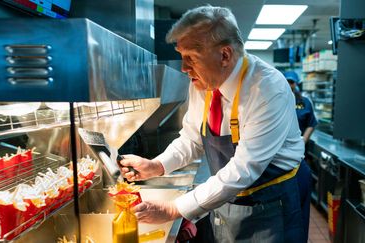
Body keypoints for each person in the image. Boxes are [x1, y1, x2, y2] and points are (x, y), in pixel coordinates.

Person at [120, 5, 311, 243]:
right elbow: (191, 138)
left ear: (225, 55)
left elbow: (244, 169)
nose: (183, 68)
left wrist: (174, 209)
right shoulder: (203, 82)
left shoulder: (268, 89)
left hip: (272, 199)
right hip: (228, 195)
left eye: (190, 57)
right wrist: (156, 165)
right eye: (182, 56)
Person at [284, 71, 318, 143]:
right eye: (287, 82)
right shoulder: (277, 101)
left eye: (291, 82)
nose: (289, 85)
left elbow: (311, 124)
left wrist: (302, 143)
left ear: (296, 84)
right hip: (280, 146)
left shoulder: (305, 102)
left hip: (298, 144)